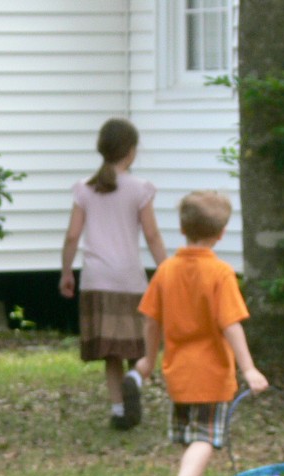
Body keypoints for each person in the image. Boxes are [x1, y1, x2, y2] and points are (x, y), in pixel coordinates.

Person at [129, 190, 269, 476]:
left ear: (181, 228)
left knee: (192, 441)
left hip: (177, 372)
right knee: (206, 440)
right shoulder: (220, 273)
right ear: (221, 233)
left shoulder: (166, 271)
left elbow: (151, 321)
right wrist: (248, 368)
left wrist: (148, 358)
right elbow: (231, 324)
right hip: (211, 373)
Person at [59, 118, 167, 430]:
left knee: (111, 352)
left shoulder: (84, 188)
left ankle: (119, 410)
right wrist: (167, 270)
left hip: (97, 278)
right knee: (136, 344)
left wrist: (66, 272)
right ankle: (136, 380)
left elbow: (72, 236)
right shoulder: (140, 189)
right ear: (131, 151)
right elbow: (152, 235)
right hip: (130, 278)